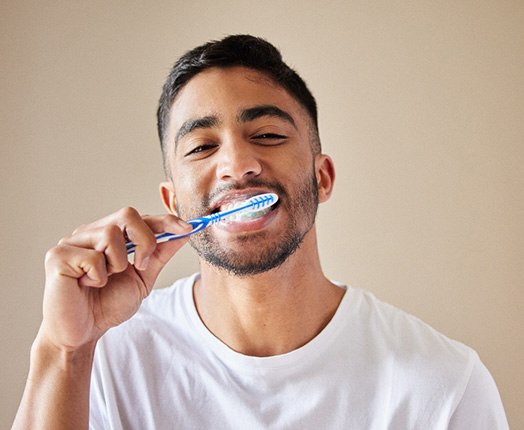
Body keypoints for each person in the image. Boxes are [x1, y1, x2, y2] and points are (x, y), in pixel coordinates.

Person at [13, 35, 508, 430]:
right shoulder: (104, 361)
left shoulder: (444, 386)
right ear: (172, 203)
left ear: (322, 177)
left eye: (268, 135)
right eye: (202, 147)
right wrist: (65, 352)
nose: (237, 165)